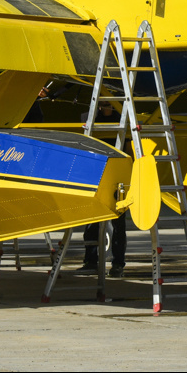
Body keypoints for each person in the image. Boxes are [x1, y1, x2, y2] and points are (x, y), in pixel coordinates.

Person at [82, 100, 127, 276]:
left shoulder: (123, 120)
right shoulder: (89, 118)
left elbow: (128, 149)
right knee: (91, 223)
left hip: (117, 178)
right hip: (96, 176)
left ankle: (118, 263)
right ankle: (90, 260)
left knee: (118, 224)